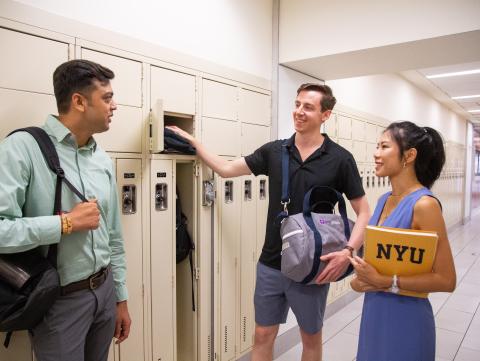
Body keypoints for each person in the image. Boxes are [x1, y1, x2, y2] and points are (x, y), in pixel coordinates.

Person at [168, 83, 370, 361]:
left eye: (308, 107)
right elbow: (227, 169)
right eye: (297, 104)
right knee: (262, 335)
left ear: (325, 115)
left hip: (312, 265)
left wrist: (348, 253)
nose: (299, 111)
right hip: (271, 262)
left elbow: (363, 213)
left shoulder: (340, 159)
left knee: (310, 338)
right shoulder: (275, 152)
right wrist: (196, 144)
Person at [0, 60, 131, 361]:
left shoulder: (101, 159)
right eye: (108, 98)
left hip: (105, 290)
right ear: (79, 101)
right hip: (58, 303)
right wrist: (65, 224)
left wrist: (120, 297)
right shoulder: (22, 148)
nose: (115, 106)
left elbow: (113, 235)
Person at [349, 121, 456, 361]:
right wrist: (360, 282)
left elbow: (447, 280)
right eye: (377, 146)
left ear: (409, 155)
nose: (376, 154)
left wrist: (384, 280)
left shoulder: (424, 205)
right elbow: (377, 265)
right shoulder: (383, 200)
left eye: (384, 146)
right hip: (375, 314)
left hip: (406, 320)